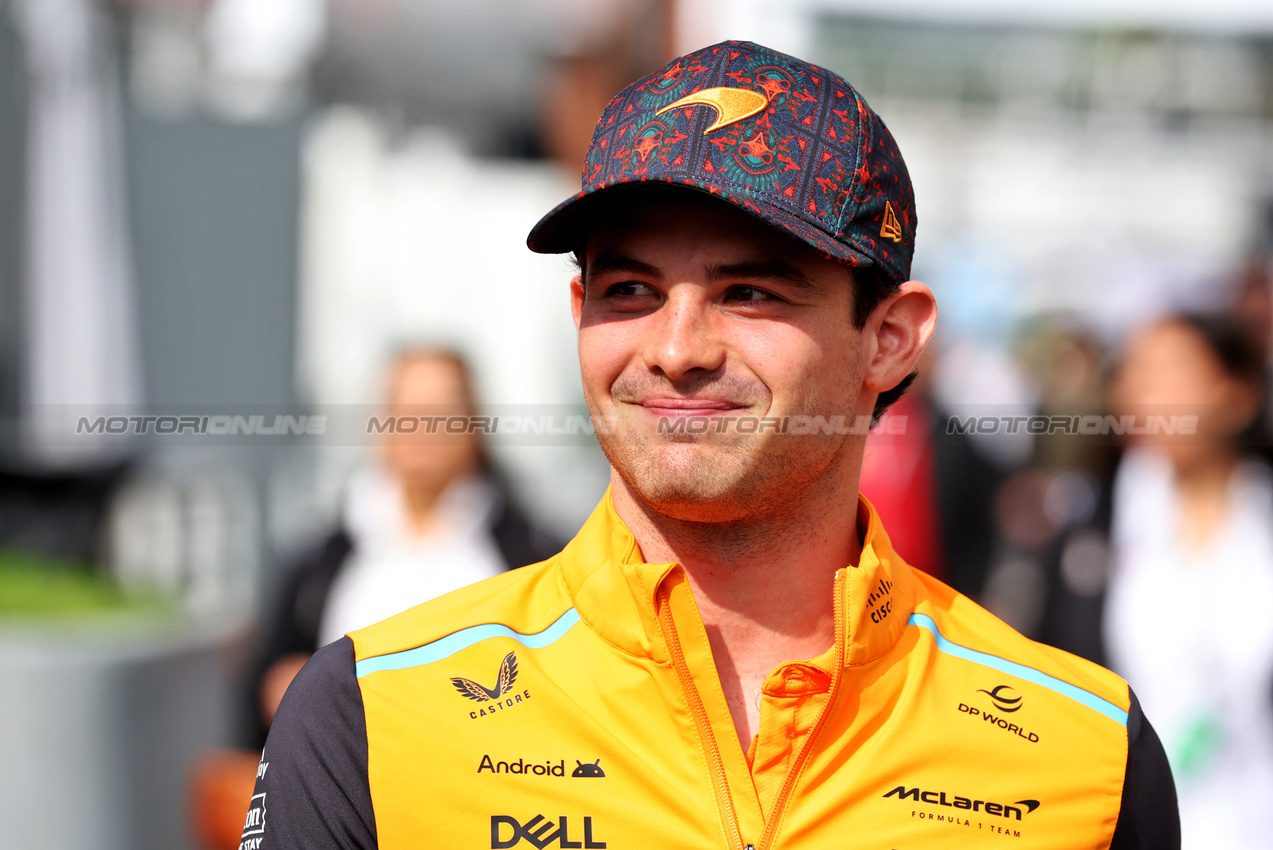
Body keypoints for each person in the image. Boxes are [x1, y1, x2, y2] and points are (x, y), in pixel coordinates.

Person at [244, 41, 1178, 849]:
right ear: (580, 314)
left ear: (890, 337)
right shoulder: (372, 714)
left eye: (751, 293)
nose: (676, 350)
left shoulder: (1083, 752)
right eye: (630, 292)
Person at [250, 347, 560, 738]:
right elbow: (269, 678)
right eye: (405, 412)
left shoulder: (532, 558)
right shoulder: (321, 561)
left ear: (473, 425)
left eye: (440, 412)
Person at [1102, 314, 1273, 849]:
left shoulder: (1259, 526)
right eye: (1135, 373)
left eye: (1171, 372)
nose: (1144, 394)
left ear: (1237, 395)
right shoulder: (1092, 525)